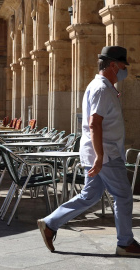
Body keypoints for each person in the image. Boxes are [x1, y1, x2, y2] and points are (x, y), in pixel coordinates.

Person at [37, 46, 140, 256]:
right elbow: (95, 124)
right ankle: (125, 243)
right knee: (123, 196)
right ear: (113, 65)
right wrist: (100, 157)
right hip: (106, 153)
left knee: (89, 196)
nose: (124, 70)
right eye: (122, 65)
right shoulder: (102, 88)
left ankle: (50, 223)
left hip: (99, 152)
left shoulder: (102, 86)